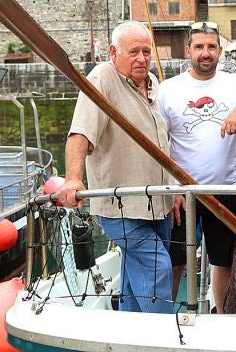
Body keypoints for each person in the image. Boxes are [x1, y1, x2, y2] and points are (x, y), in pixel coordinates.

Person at [59, 21, 177, 314]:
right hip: (122, 206)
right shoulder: (102, 79)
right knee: (157, 266)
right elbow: (80, 133)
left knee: (133, 276)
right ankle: (160, 345)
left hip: (157, 203)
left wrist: (173, 190)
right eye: (133, 52)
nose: (142, 58)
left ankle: (130, 330)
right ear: (114, 52)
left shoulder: (152, 86)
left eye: (146, 51)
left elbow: (162, 145)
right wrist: (73, 179)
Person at [156, 22, 236, 312]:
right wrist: (171, 186)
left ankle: (223, 317)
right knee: (175, 261)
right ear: (187, 50)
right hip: (182, 194)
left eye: (211, 47)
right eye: (200, 47)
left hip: (226, 189)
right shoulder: (168, 90)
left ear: (220, 51)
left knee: (224, 261)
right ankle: (165, 317)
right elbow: (157, 142)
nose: (206, 53)